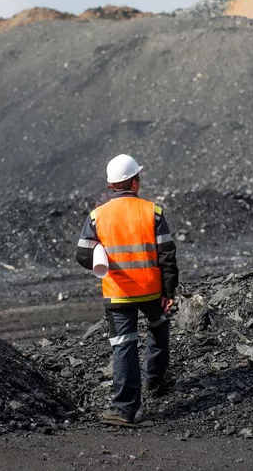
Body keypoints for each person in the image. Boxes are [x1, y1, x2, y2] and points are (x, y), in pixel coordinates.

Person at [76, 154, 179, 427]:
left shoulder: (97, 217)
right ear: (134, 182)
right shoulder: (152, 212)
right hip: (151, 291)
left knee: (124, 346)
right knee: (158, 328)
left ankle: (124, 410)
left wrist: (101, 254)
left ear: (112, 186)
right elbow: (167, 255)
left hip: (118, 294)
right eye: (139, 178)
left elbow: (83, 255)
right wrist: (169, 291)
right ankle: (156, 381)